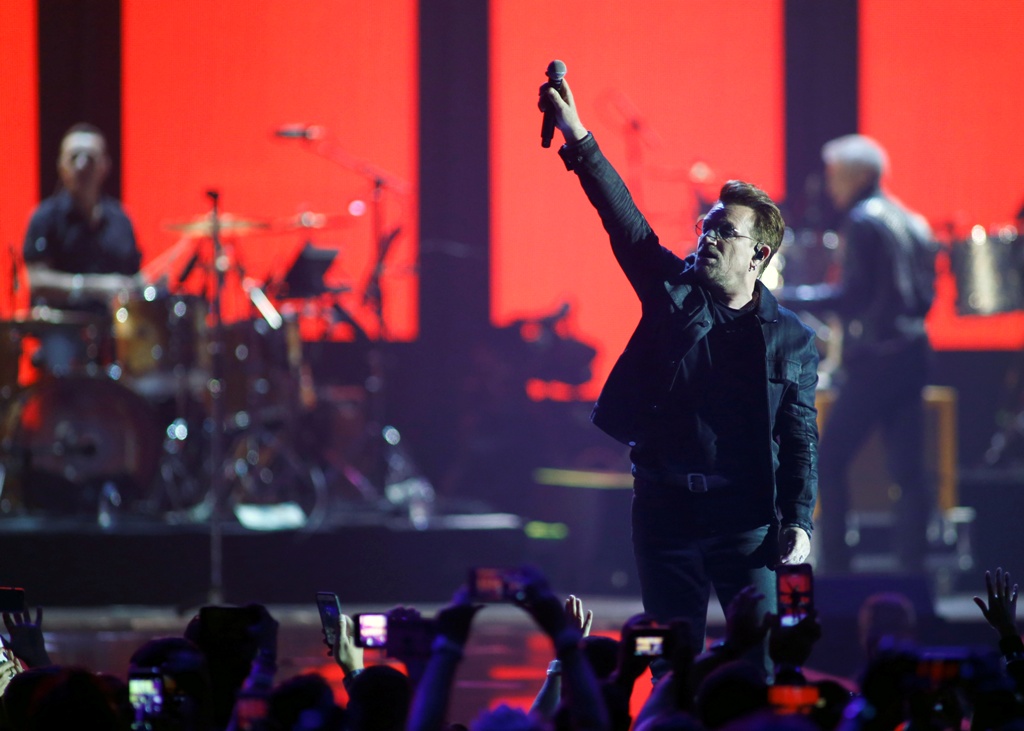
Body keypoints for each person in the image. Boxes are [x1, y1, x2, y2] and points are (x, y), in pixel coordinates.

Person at [540, 77, 819, 673]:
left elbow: (799, 438)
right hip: (667, 512)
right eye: (706, 227)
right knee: (673, 666)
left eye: (724, 231)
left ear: (759, 255)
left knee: (762, 665)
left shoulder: (791, 338)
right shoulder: (674, 296)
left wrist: (799, 521)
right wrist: (579, 137)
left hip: (746, 520)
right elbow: (627, 225)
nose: (708, 238)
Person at [816, 134, 936, 575]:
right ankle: (913, 571)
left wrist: (789, 298)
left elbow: (853, 295)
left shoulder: (864, 221)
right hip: (913, 355)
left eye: (836, 176)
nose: (831, 187)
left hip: (877, 361)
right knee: (908, 471)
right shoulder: (912, 221)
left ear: (862, 175)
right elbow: (924, 298)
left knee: (829, 460)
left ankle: (838, 568)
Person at [22, 123, 142, 373]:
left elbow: (134, 275)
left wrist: (146, 285)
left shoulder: (119, 219)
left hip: (112, 327)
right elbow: (36, 280)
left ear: (105, 166)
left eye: (90, 157)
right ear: (60, 166)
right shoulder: (45, 218)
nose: (82, 164)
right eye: (74, 157)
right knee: (63, 362)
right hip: (62, 326)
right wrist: (94, 287)